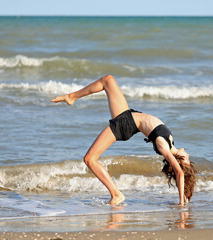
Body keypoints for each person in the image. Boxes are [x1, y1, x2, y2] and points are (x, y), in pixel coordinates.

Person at [51, 75, 196, 206]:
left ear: (180, 160)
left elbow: (180, 173)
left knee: (89, 159)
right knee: (108, 80)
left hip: (125, 124)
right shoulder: (170, 142)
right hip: (128, 117)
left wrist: (181, 203)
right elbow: (181, 172)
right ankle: (72, 97)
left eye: (187, 160)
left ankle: (116, 194)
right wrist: (184, 195)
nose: (188, 156)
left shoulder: (163, 145)